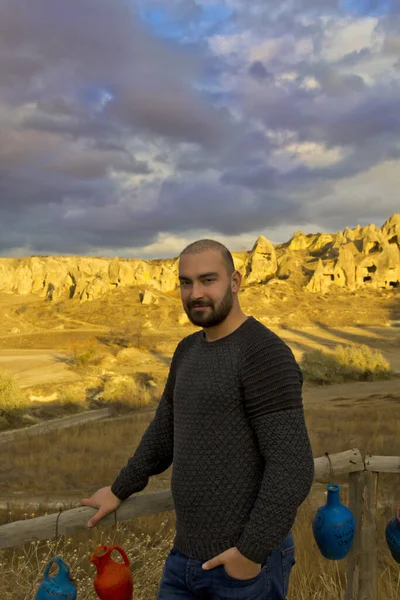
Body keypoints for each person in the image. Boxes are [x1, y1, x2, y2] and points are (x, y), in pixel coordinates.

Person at [81, 239, 315, 599]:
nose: (196, 293)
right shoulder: (187, 350)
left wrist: (249, 554)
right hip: (184, 560)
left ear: (235, 281)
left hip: (242, 567)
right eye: (186, 283)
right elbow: (164, 432)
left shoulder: (263, 354)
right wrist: (119, 489)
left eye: (208, 280)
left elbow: (292, 465)